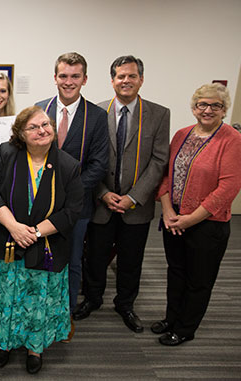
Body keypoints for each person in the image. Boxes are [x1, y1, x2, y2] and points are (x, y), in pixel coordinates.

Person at [0, 106, 83, 374]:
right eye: (33, 127)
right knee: (6, 297)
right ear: (20, 134)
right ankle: (5, 344)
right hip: (6, 242)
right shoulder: (6, 153)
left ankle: (35, 348)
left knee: (37, 301)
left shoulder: (68, 165)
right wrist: (14, 227)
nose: (42, 130)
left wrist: (33, 233)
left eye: (45, 124)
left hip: (46, 245)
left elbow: (72, 211)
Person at [75, 56, 170, 333]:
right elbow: (89, 158)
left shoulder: (159, 114)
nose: (125, 81)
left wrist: (134, 196)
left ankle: (125, 304)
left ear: (141, 79)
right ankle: (92, 299)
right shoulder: (96, 112)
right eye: (120, 76)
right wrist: (103, 193)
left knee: (131, 260)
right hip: (101, 202)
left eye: (131, 76)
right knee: (95, 257)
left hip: (136, 206)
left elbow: (159, 160)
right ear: (112, 80)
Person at [153, 83, 241, 346]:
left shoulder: (232, 140)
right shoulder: (182, 134)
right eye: (202, 104)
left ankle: (184, 328)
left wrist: (191, 218)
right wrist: (169, 211)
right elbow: (166, 176)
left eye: (215, 105)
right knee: (176, 273)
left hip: (208, 225)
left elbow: (228, 187)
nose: (207, 110)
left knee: (199, 280)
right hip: (174, 220)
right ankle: (171, 318)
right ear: (194, 107)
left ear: (224, 109)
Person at [35, 52, 108, 342]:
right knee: (41, 257)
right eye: (63, 76)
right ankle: (40, 310)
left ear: (85, 79)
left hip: (78, 207)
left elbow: (99, 164)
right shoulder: (39, 110)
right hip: (39, 203)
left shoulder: (97, 116)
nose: (69, 82)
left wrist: (70, 193)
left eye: (75, 76)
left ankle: (64, 314)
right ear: (55, 78)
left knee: (73, 260)